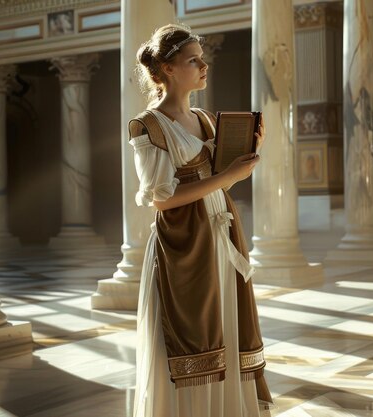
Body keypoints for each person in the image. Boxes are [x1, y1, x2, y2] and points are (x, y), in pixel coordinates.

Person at [130, 24, 272, 417]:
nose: (204, 65)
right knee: (192, 330)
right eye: (193, 60)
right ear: (169, 69)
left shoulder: (205, 120)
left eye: (201, 58)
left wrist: (247, 152)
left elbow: (221, 175)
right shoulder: (148, 125)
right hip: (184, 245)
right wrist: (226, 177)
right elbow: (162, 199)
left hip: (221, 235)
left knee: (226, 325)